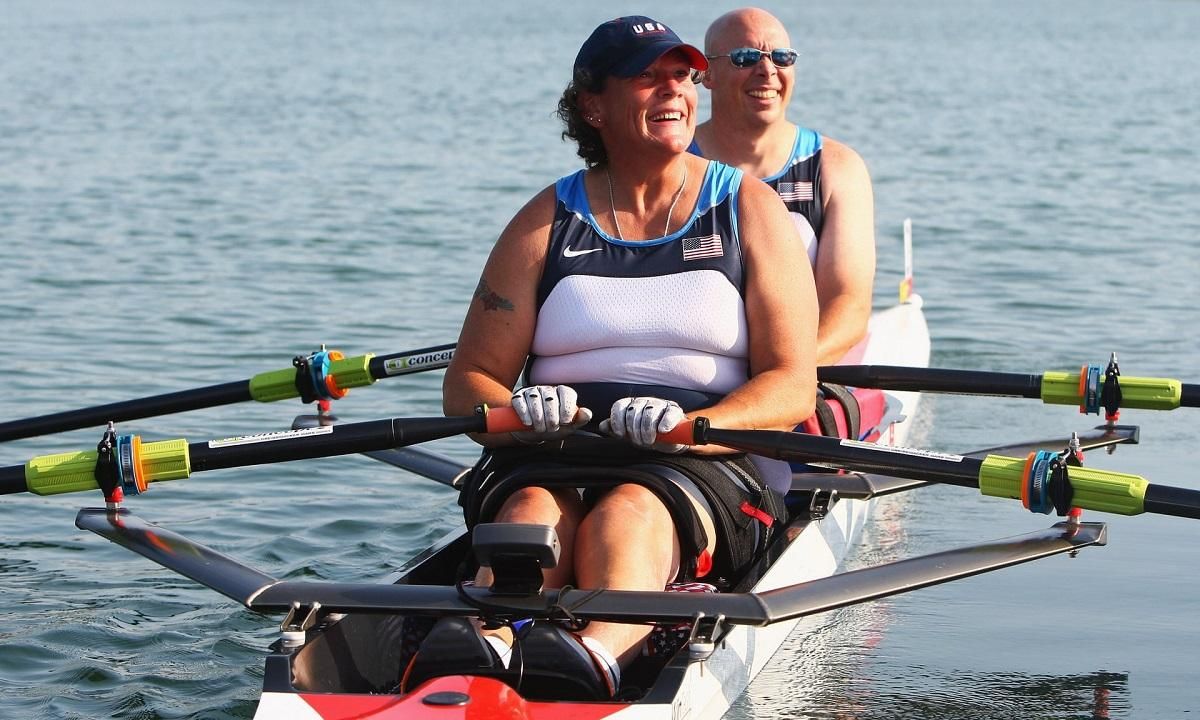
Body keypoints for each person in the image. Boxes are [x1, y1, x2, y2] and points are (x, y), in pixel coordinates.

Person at [411, 15, 819, 701]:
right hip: (552, 449)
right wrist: (515, 414)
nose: (674, 90)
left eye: (682, 76)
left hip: (698, 458)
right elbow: (468, 384)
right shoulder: (545, 220)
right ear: (593, 107)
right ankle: (490, 639)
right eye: (647, 77)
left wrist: (692, 429)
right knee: (531, 507)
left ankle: (597, 654)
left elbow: (791, 384)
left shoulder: (749, 209)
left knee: (627, 511)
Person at [692, 7, 875, 367]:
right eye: (745, 57)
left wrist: (780, 376)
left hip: (799, 369)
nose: (767, 70)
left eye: (782, 57)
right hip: (695, 373)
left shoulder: (837, 168)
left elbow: (848, 306)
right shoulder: (670, 164)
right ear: (707, 74)